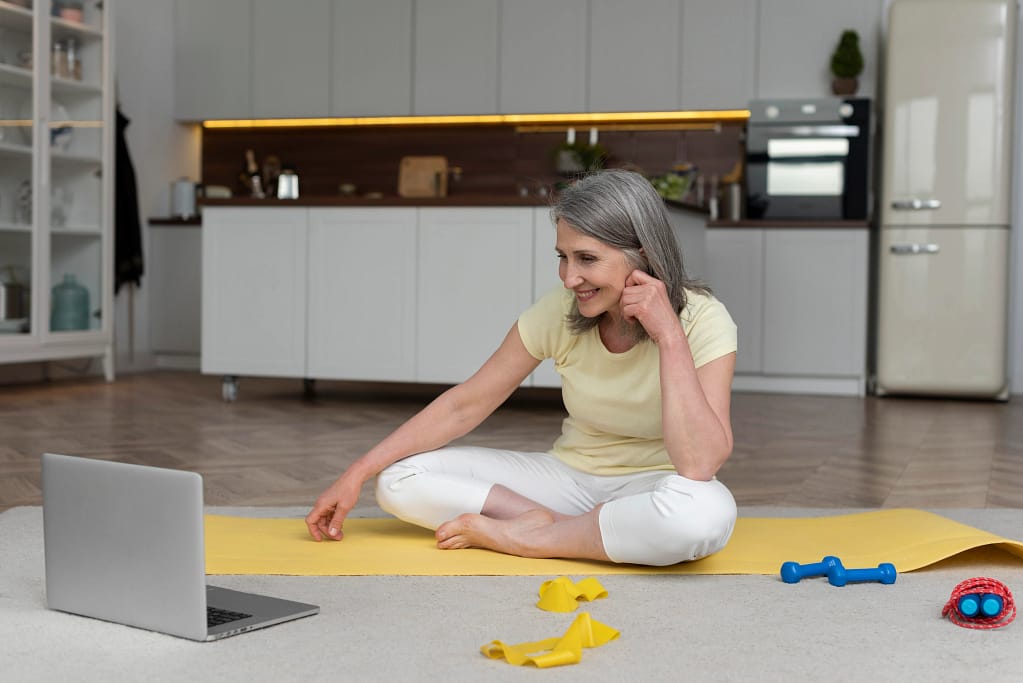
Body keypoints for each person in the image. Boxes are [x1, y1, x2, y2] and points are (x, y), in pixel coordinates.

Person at [305, 168, 738, 566]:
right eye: (562, 257)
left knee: (701, 516)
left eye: (587, 259)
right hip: (568, 480)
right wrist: (357, 472)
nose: (569, 278)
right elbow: (465, 406)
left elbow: (699, 466)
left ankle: (527, 539)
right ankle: (559, 526)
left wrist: (669, 337)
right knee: (399, 479)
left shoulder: (703, 319)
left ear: (640, 253)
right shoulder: (561, 309)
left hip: (655, 486)